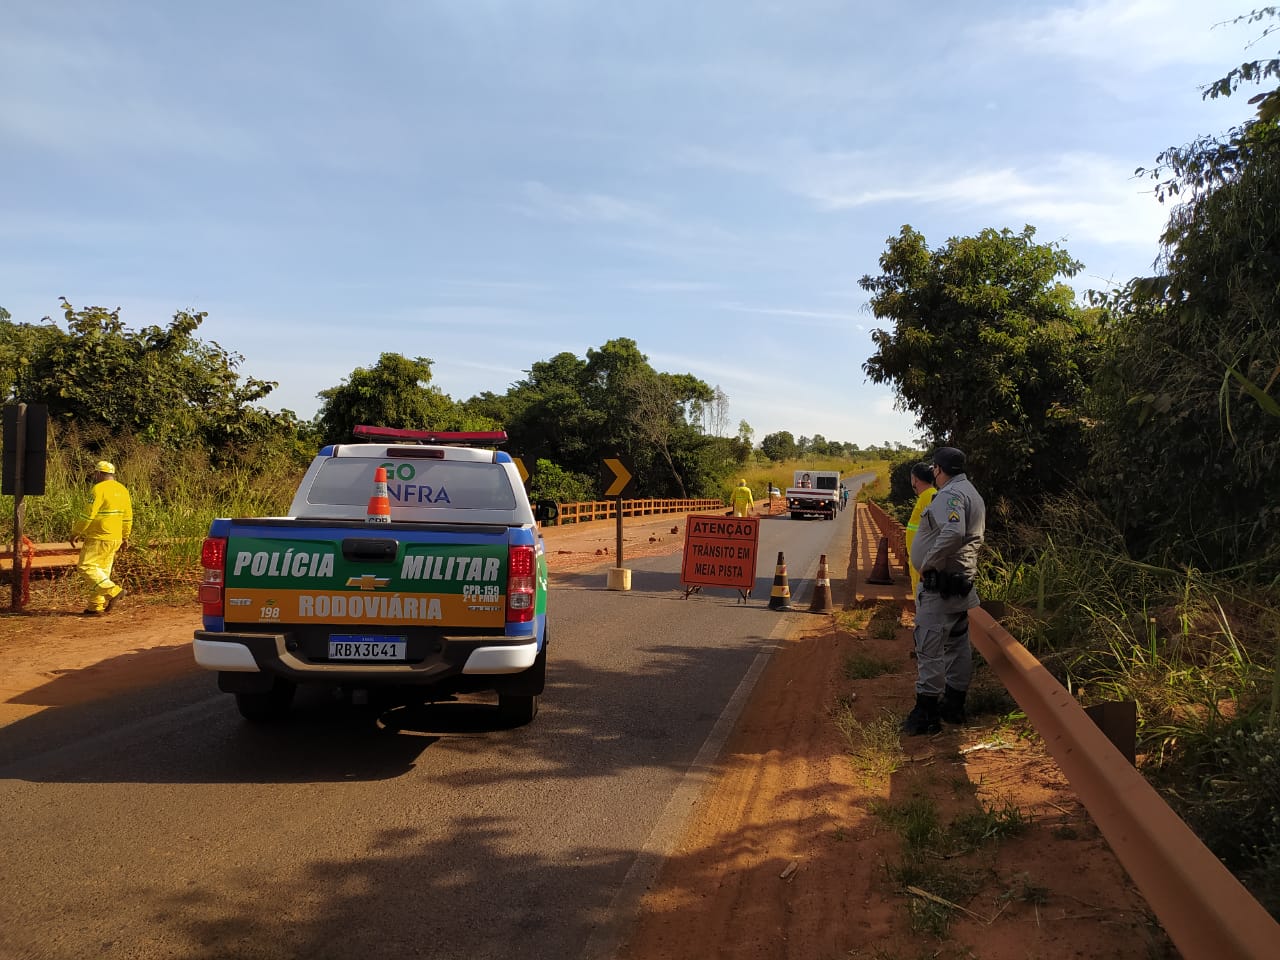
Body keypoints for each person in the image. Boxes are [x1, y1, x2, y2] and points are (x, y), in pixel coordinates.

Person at [903, 446, 985, 735]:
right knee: (957, 644)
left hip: (941, 586)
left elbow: (953, 532)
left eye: (934, 469)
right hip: (959, 583)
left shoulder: (950, 494)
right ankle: (953, 704)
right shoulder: (971, 492)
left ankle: (926, 714)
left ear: (938, 469)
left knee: (929, 647)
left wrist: (928, 563)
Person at [69, 460, 133, 616]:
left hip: (99, 536)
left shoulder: (98, 489)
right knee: (101, 572)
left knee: (86, 566)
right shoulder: (123, 490)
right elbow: (128, 516)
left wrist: (76, 531)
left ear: (98, 473)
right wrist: (125, 536)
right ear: (112, 474)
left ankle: (113, 591)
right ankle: (95, 606)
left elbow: (88, 514)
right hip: (115, 538)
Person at [904, 462, 937, 597]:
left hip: (924, 562)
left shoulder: (931, 496)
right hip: (918, 559)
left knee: (924, 599)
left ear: (915, 479)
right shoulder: (926, 496)